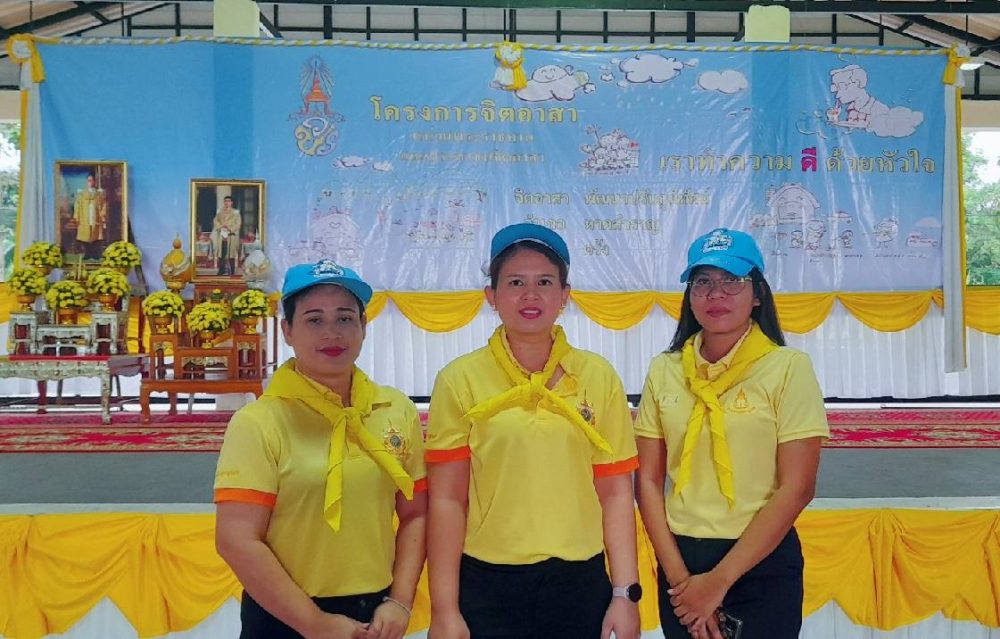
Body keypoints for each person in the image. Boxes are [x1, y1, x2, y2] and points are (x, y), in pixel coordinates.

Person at [425, 223, 642, 639]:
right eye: (515, 282)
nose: (530, 295)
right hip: (488, 583)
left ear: (564, 295)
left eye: (544, 282)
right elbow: (448, 501)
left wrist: (624, 593)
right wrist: (445, 610)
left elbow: (616, 493)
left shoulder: (597, 377)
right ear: (491, 296)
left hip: (579, 582)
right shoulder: (460, 380)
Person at [214, 259, 427, 639]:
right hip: (284, 618)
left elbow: (416, 513)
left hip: (375, 617)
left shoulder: (396, 409)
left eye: (345, 318)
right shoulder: (259, 422)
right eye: (314, 319)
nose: (332, 333)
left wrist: (400, 601)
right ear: (287, 331)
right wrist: (315, 624)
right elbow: (236, 539)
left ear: (364, 326)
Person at [634, 228, 829, 639]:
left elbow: (797, 487)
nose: (716, 294)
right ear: (689, 296)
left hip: (760, 560)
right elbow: (647, 481)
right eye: (702, 282)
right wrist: (682, 583)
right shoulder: (664, 370)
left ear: (757, 294)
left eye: (732, 281)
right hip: (680, 564)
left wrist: (718, 582)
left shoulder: (787, 368)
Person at [73, 174, 107, 259]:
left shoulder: (99, 193)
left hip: (95, 217)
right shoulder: (81, 194)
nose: (90, 182)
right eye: (89, 180)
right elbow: (77, 205)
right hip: (84, 217)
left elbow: (104, 204)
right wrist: (76, 216)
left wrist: (102, 214)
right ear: (86, 182)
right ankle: (87, 254)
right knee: (86, 235)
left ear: (94, 182)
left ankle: (95, 254)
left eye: (92, 180)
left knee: (96, 235)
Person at [211, 195, 242, 275]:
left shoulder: (235, 212)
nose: (227, 203)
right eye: (225, 201)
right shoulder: (220, 211)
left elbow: (238, 223)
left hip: (231, 235)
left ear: (231, 202)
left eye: (228, 201)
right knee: (221, 254)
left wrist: (230, 228)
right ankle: (221, 270)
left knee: (231, 254)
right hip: (222, 235)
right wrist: (221, 226)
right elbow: (215, 221)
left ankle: (232, 270)